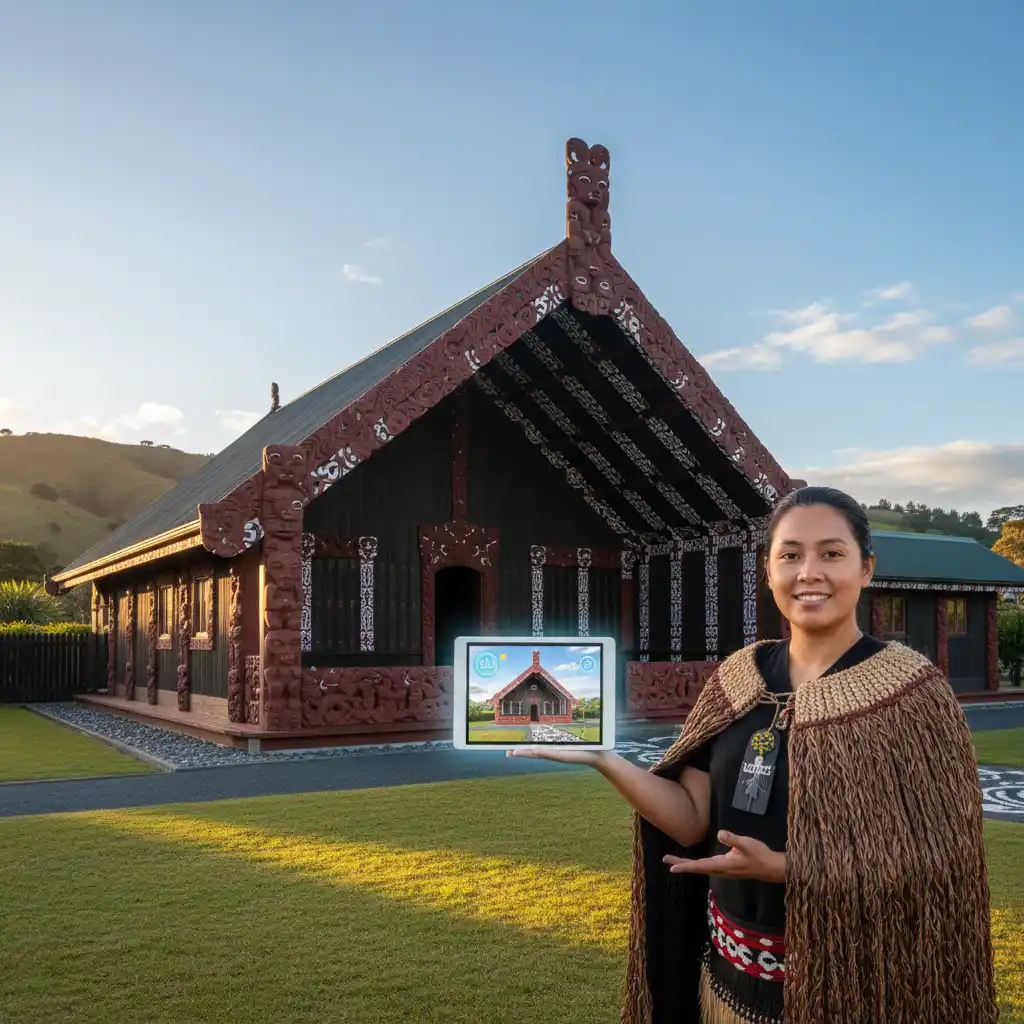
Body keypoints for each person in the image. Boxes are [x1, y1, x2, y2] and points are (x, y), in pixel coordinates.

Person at [509, 486, 995, 1023]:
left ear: (866, 568)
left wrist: (786, 868)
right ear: (768, 571)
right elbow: (692, 822)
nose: (809, 572)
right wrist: (605, 758)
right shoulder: (740, 678)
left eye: (831, 554)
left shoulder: (912, 693)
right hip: (728, 979)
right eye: (790, 555)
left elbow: (944, 855)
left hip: (853, 984)